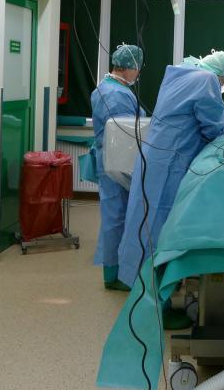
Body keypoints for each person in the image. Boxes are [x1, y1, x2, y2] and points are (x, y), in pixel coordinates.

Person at [116, 50, 224, 329]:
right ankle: (156, 308)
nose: (223, 88)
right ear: (222, 76)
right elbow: (213, 126)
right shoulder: (207, 80)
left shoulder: (180, 72)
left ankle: (144, 295)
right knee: (161, 234)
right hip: (170, 165)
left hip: (152, 159)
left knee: (143, 225)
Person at [90, 45, 145, 291]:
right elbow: (124, 135)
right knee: (117, 217)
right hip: (118, 163)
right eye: (137, 69)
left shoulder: (106, 86)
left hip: (110, 160)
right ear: (130, 67)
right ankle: (116, 276)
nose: (138, 74)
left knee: (114, 215)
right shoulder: (118, 94)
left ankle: (114, 271)